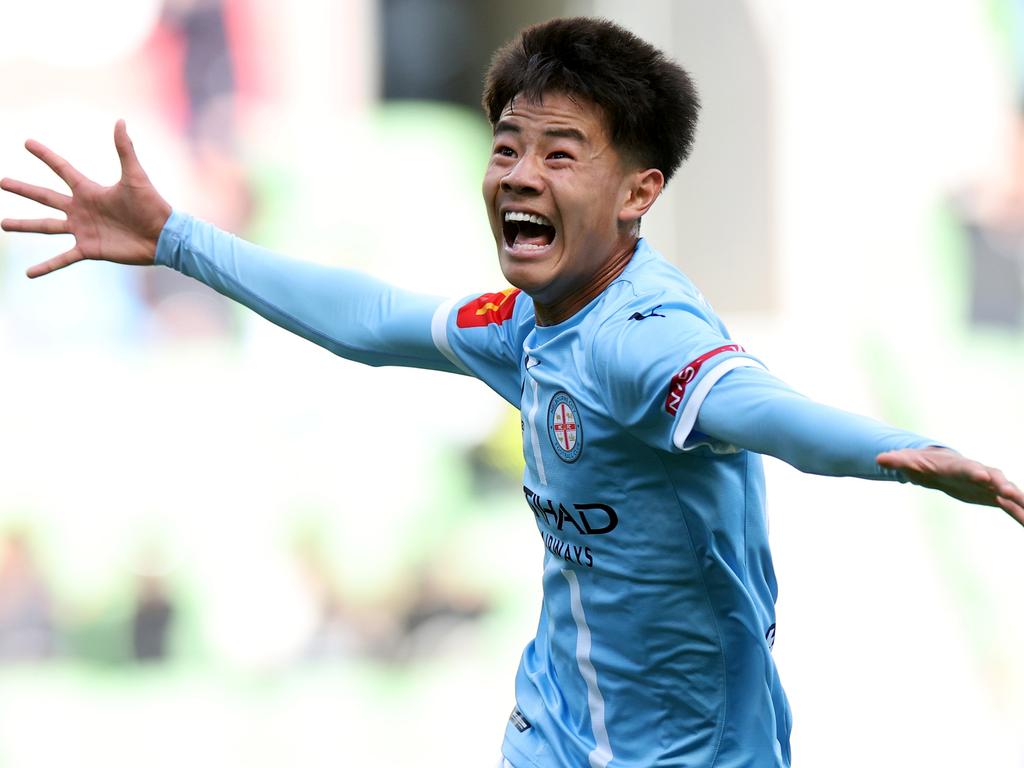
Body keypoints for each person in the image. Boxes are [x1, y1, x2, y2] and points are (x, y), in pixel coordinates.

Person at [2, 17, 1021, 768]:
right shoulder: (529, 325)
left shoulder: (640, 339)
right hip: (552, 737)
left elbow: (752, 407)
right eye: (506, 149)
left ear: (638, 193)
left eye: (560, 153)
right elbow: (372, 319)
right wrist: (178, 240)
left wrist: (896, 455)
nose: (519, 175)